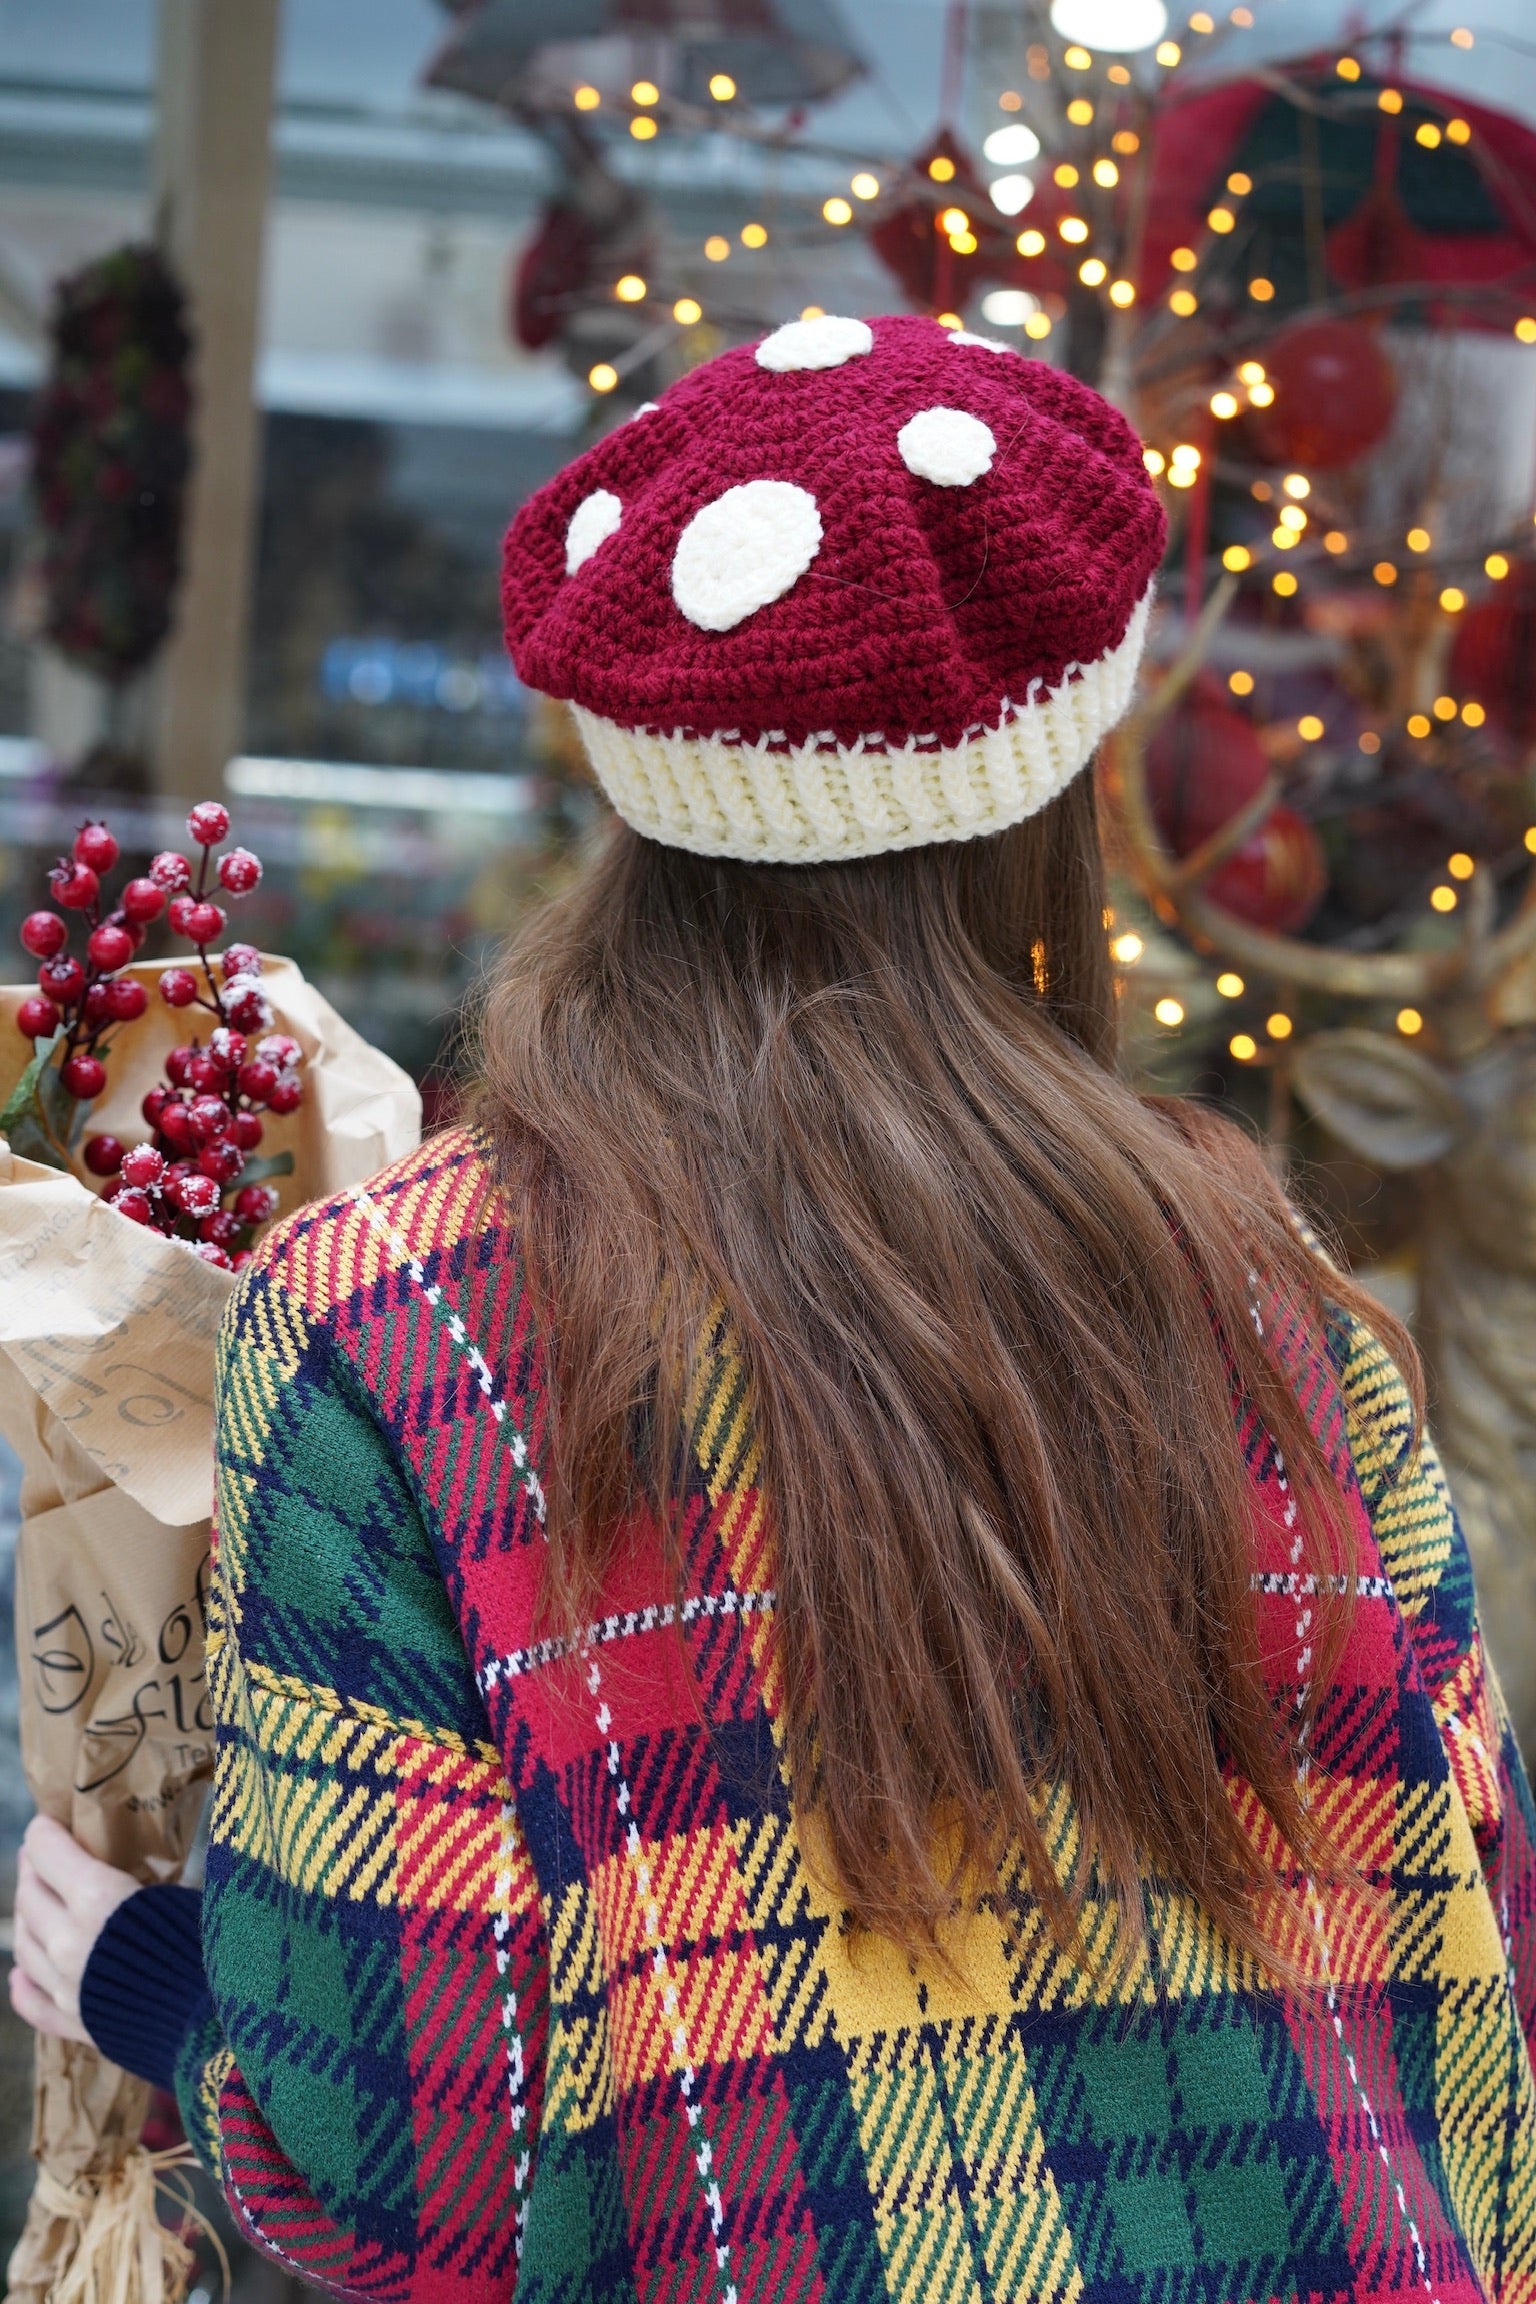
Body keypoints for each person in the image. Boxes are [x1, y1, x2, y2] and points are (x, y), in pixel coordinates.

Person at [12, 314, 1536, 2304]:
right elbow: (1468, 1963)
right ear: (1060, 796)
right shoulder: (1275, 1309)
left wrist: (151, 1977)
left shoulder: (413, 1316)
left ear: (638, 789)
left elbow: (413, 2172)